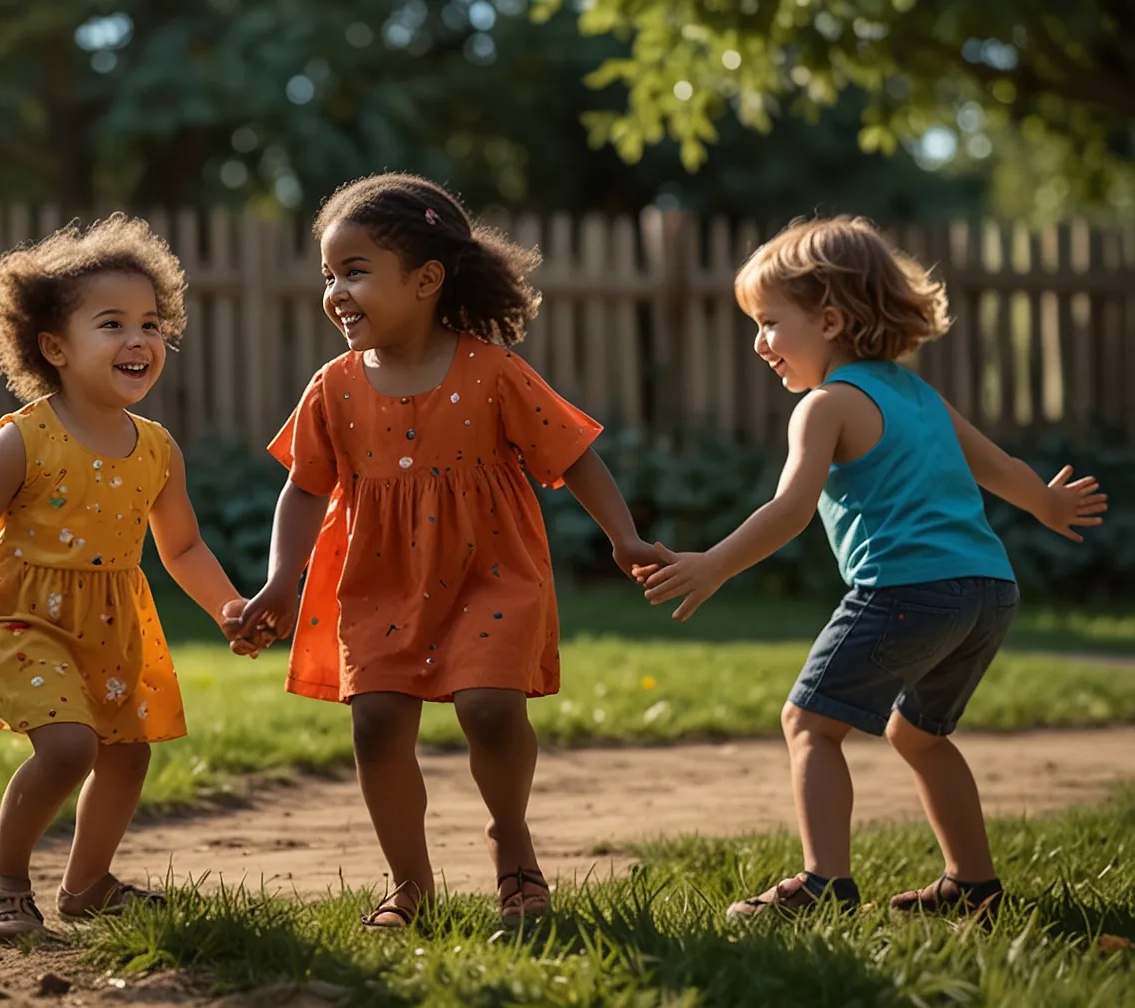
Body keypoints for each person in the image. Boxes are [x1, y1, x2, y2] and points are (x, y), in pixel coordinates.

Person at [638, 215, 1107, 922]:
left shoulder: (826, 406)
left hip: (905, 590)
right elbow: (1001, 470)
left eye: (769, 322)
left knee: (808, 724)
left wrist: (713, 566)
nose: (759, 343)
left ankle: (823, 883)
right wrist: (1045, 504)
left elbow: (790, 510)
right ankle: (972, 887)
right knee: (917, 733)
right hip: (987, 591)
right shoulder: (917, 395)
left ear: (829, 319)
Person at [236, 173, 657, 930]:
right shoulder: (331, 387)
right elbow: (303, 490)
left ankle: (513, 844)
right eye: (329, 274)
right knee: (375, 726)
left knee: (492, 709)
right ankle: (410, 884)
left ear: (427, 279)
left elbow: (573, 454)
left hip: (491, 573)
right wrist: (278, 582)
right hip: (378, 581)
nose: (336, 291)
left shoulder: (492, 372)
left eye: (356, 272)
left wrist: (622, 537)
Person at [0, 214, 256, 941]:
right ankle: (4, 875)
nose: (139, 339)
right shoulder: (25, 438)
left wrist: (229, 606)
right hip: (22, 616)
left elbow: (185, 546)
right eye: (112, 324)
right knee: (71, 748)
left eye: (151, 322)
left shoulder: (157, 449)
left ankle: (88, 884)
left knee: (127, 756)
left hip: (114, 624)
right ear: (55, 347)